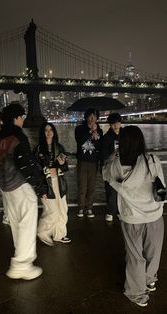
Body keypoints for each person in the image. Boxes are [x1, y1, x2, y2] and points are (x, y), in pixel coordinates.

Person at [104, 125, 165, 307]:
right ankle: (149, 279)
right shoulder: (152, 160)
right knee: (153, 252)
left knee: (135, 256)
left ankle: (137, 293)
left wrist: (113, 155)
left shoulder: (116, 165)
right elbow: (161, 188)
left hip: (131, 218)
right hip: (154, 215)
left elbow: (105, 173)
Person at [0, 102, 44, 280]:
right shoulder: (18, 137)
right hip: (20, 186)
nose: (23, 120)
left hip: (6, 189)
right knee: (27, 223)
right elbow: (26, 164)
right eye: (21, 117)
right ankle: (22, 264)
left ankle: (19, 255)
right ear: (16, 118)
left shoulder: (0, 140)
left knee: (16, 223)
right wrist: (39, 185)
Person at [34, 122, 71, 246]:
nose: (49, 132)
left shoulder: (59, 148)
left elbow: (65, 167)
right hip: (47, 184)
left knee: (62, 210)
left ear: (54, 132)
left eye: (51, 129)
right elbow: (36, 172)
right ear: (42, 133)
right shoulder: (38, 150)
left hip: (59, 182)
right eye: (46, 130)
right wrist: (41, 189)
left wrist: (61, 164)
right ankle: (42, 232)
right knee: (52, 211)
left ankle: (59, 235)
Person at [75, 108, 103, 218]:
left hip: (93, 162)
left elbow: (100, 146)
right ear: (86, 117)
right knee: (82, 186)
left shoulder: (99, 130)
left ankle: (89, 208)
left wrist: (97, 136)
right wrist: (90, 131)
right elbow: (80, 140)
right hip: (82, 161)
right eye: (90, 116)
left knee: (91, 187)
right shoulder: (79, 129)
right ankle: (81, 208)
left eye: (94, 117)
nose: (92, 119)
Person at [102, 113, 122, 222]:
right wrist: (112, 155)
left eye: (117, 123)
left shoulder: (124, 135)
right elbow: (104, 155)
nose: (115, 125)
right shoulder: (107, 137)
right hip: (111, 166)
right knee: (110, 189)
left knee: (122, 190)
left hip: (123, 166)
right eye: (113, 124)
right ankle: (110, 211)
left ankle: (120, 210)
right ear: (110, 125)